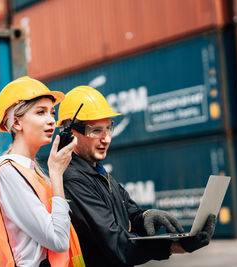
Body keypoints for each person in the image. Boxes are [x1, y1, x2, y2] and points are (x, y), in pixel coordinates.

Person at [57, 85, 217, 267]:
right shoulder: (72, 180)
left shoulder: (99, 174)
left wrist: (146, 217)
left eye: (108, 128)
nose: (106, 138)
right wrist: (175, 246)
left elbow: (130, 214)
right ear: (69, 133)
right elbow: (117, 245)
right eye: (96, 130)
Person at [0, 76, 85, 267]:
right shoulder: (10, 173)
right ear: (17, 123)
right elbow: (58, 241)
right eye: (41, 112)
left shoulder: (30, 173)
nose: (51, 120)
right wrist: (57, 172)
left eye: (52, 113)